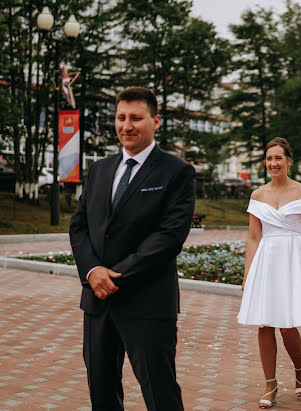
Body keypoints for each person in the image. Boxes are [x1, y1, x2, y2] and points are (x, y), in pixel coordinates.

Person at [69, 86, 195, 410]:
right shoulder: (99, 169)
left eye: (136, 118)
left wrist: (115, 278)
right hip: (97, 302)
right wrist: (93, 272)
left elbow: (169, 236)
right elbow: (79, 226)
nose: (127, 125)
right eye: (121, 117)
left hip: (147, 303)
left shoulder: (176, 172)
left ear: (156, 121)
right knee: (102, 393)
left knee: (160, 394)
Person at [238, 137, 301, 409]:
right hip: (266, 260)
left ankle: (299, 370)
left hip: (292, 260)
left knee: (287, 324)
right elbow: (253, 237)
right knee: (264, 323)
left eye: (278, 158)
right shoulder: (257, 195)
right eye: (269, 158)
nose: (273, 163)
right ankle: (270, 385)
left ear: (288, 161)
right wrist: (248, 273)